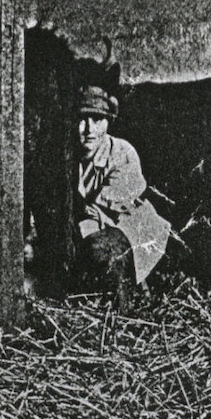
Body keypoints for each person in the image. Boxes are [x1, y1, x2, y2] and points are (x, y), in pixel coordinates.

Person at [69, 83, 170, 309]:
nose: (88, 130)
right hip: (94, 228)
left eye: (97, 120)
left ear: (108, 122)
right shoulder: (69, 156)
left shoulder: (123, 153)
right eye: (81, 119)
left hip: (133, 229)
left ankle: (126, 310)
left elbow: (99, 213)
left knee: (106, 250)